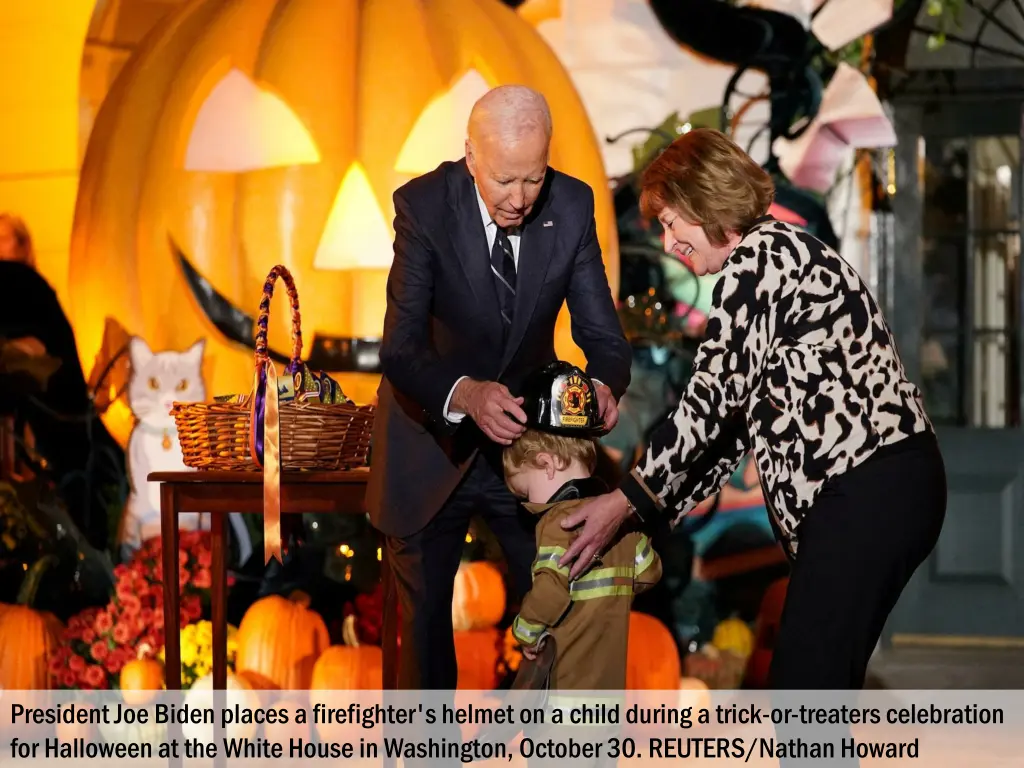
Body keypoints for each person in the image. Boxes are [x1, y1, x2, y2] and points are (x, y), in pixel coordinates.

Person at [556, 128, 947, 690]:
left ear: (702, 202)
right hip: (884, 489)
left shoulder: (761, 258)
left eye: (670, 224)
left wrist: (624, 502)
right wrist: (645, 514)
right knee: (815, 694)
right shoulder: (778, 258)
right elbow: (726, 435)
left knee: (804, 694)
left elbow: (710, 399)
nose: (667, 244)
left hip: (869, 487)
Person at [367, 85, 632, 689]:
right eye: (504, 181)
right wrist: (466, 394)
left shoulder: (571, 205)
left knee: (565, 612)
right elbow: (400, 348)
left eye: (532, 180)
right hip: (430, 443)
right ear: (470, 154)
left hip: (528, 454)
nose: (519, 199)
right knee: (426, 631)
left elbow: (603, 336)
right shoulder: (425, 207)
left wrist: (606, 382)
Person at [503, 361, 661, 690]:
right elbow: (649, 572)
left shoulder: (557, 523)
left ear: (546, 465)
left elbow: (551, 592)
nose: (527, 504)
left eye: (524, 490)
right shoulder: (618, 525)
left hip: (566, 690)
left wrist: (524, 629)